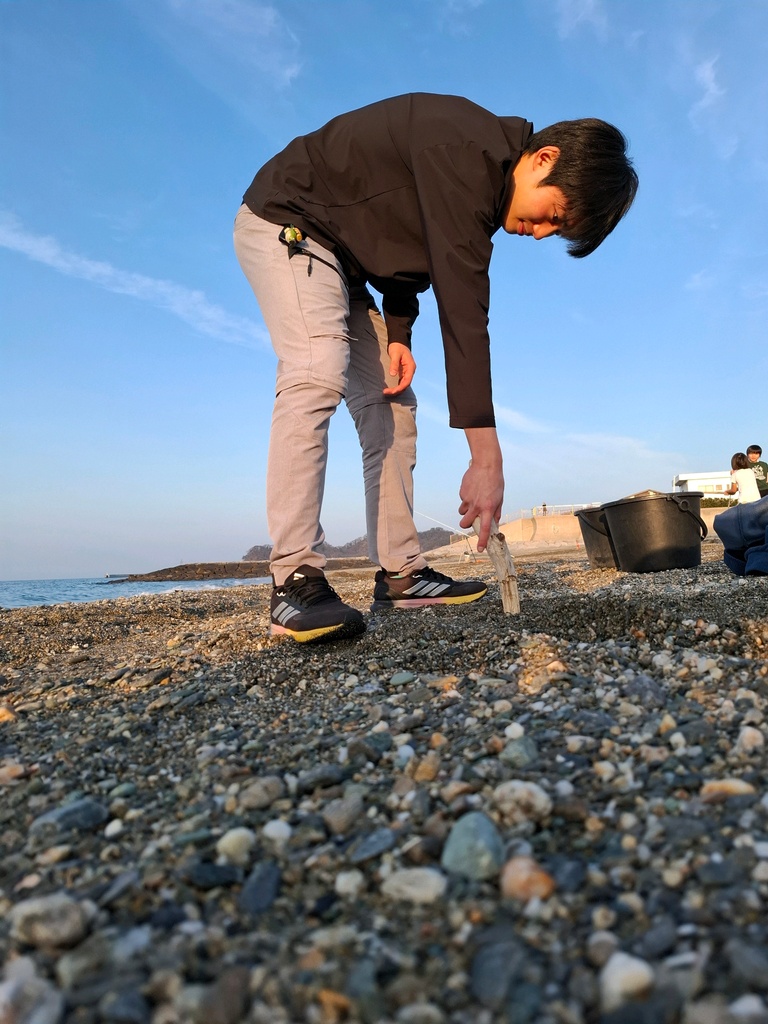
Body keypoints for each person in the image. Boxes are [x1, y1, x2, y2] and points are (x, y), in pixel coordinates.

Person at [234, 93, 638, 643]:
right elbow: (463, 308)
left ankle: (402, 573)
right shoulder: (466, 148)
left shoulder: (481, 186)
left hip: (346, 266)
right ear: (545, 159)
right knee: (316, 366)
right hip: (289, 220)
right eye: (555, 216)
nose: (542, 233)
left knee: (393, 406)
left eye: (556, 231)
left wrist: (398, 334)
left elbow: (407, 251)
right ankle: (293, 577)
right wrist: (486, 457)